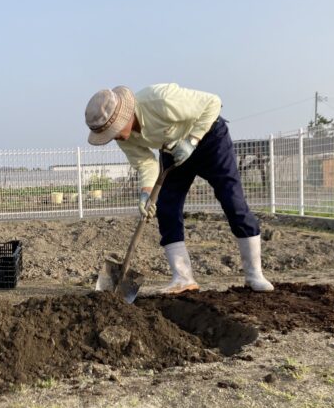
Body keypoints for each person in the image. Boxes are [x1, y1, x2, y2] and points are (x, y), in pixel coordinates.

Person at [84, 83, 273, 294]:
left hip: (210, 140)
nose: (115, 137)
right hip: (172, 151)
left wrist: (192, 140)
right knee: (166, 209)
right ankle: (183, 278)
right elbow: (146, 164)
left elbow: (213, 102)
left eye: (114, 131)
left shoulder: (161, 99)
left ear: (124, 117)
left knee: (232, 201)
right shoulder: (123, 138)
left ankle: (254, 275)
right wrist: (146, 193)